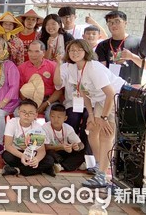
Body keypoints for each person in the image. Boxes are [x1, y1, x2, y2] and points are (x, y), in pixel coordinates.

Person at [54, 39, 125, 187]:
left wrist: (104, 117)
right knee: (92, 131)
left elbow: (111, 93)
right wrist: (92, 116)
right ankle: (100, 167)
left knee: (106, 135)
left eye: (79, 50)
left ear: (86, 51)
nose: (75, 53)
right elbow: (83, 93)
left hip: (117, 97)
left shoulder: (93, 67)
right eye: (72, 50)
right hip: (99, 100)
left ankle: (103, 175)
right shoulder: (73, 68)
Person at [95, 10, 146, 85]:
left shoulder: (139, 42)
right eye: (110, 22)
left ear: (125, 23)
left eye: (117, 21)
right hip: (110, 87)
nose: (113, 25)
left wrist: (132, 57)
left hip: (132, 88)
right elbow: (101, 69)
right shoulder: (102, 45)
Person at [2, 100, 54, 177]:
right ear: (19, 112)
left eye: (30, 113)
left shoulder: (37, 127)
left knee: (49, 160)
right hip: (16, 153)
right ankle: (40, 169)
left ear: (36, 115)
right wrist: (22, 156)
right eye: (24, 112)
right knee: (7, 156)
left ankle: (17, 170)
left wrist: (37, 159)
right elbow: (8, 145)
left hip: (32, 153)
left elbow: (41, 151)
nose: (27, 115)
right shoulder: (12, 123)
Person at [18, 40, 62, 119]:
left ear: (44, 53)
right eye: (30, 51)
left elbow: (59, 90)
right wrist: (30, 105)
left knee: (50, 116)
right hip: (29, 100)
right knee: (18, 114)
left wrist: (45, 104)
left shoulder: (53, 66)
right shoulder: (21, 68)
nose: (33, 55)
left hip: (50, 100)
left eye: (37, 51)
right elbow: (20, 91)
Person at [43, 104, 85, 173]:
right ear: (50, 116)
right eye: (53, 116)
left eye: (59, 117)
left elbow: (81, 144)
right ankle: (72, 165)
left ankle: (61, 166)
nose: (55, 119)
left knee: (82, 152)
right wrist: (61, 147)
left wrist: (77, 147)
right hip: (53, 152)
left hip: (65, 151)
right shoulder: (45, 128)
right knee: (48, 155)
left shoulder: (68, 128)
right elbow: (45, 147)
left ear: (65, 118)